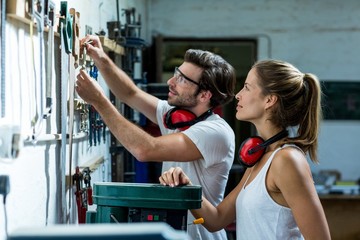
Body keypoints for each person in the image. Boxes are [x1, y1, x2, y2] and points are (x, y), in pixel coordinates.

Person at [75, 35, 237, 240]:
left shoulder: (215, 132)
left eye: (181, 79)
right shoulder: (176, 116)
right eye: (176, 73)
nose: (171, 81)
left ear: (205, 95)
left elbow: (146, 149)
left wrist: (99, 101)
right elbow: (131, 94)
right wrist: (101, 59)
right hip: (174, 229)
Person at [159, 59, 331, 239]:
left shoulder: (287, 160)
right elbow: (216, 220)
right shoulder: (259, 157)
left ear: (269, 100)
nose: (238, 95)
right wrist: (186, 186)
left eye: (247, 87)